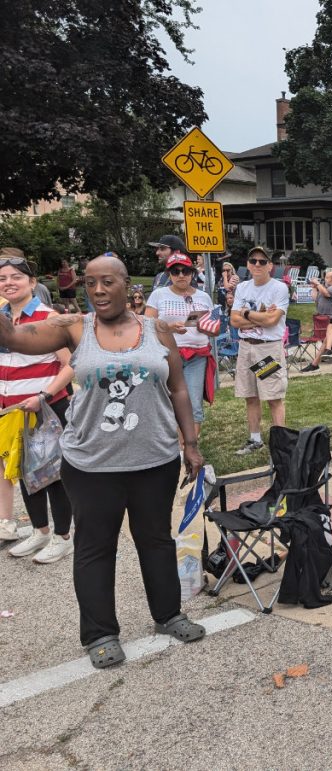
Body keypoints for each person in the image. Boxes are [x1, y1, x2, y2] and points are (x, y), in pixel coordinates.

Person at [0, 253, 206, 668]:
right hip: (91, 465)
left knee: (156, 540)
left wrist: (190, 442)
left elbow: (180, 389)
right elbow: (16, 340)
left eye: (107, 282)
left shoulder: (156, 331)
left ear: (127, 286)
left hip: (154, 459)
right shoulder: (74, 328)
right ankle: (100, 634)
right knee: (96, 547)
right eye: (90, 283)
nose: (97, 290)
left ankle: (168, 615)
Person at [0, 256, 75, 564]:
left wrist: (44, 394)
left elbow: (71, 365)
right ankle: (39, 531)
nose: (8, 283)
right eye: (2, 278)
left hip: (45, 408)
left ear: (32, 283)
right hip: (13, 411)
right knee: (23, 472)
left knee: (52, 473)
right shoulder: (1, 318)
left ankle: (62, 537)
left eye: (15, 277)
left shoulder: (48, 317)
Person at [145, 253, 217, 435]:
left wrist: (206, 327)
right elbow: (146, 326)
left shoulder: (204, 297)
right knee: (169, 402)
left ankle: (190, 449)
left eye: (185, 271)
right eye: (175, 271)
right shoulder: (158, 295)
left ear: (192, 273)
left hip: (197, 355)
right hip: (168, 355)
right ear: (169, 274)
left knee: (193, 404)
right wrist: (168, 328)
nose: (181, 275)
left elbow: (215, 330)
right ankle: (175, 449)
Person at [230, 246, 290, 455]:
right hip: (246, 348)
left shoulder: (279, 288)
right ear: (247, 264)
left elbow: (273, 321)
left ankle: (281, 443)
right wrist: (258, 318)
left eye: (262, 262)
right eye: (253, 260)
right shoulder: (243, 287)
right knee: (250, 396)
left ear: (270, 266)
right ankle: (255, 439)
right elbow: (233, 321)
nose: (257, 264)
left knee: (273, 396)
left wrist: (246, 312)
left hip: (267, 350)